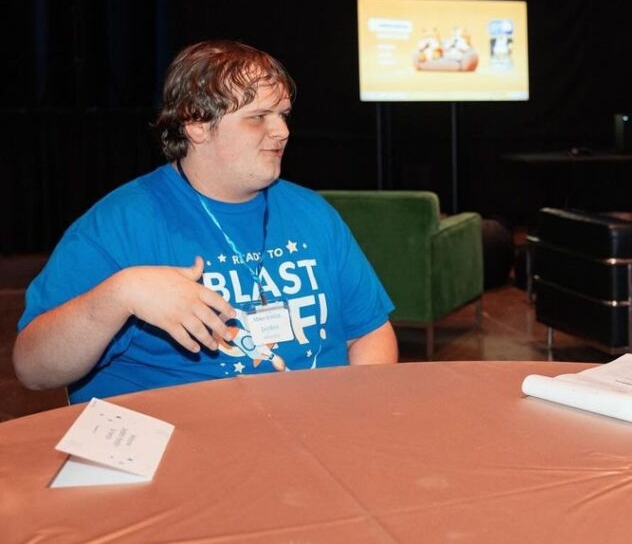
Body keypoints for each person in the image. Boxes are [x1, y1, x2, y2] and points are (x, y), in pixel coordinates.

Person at [14, 40, 398, 403]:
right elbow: (34, 369)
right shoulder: (118, 225)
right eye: (258, 117)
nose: (281, 131)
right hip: (178, 452)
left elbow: (368, 332)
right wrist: (121, 294)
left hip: (312, 439)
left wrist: (356, 412)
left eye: (282, 115)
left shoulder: (313, 213)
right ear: (196, 124)